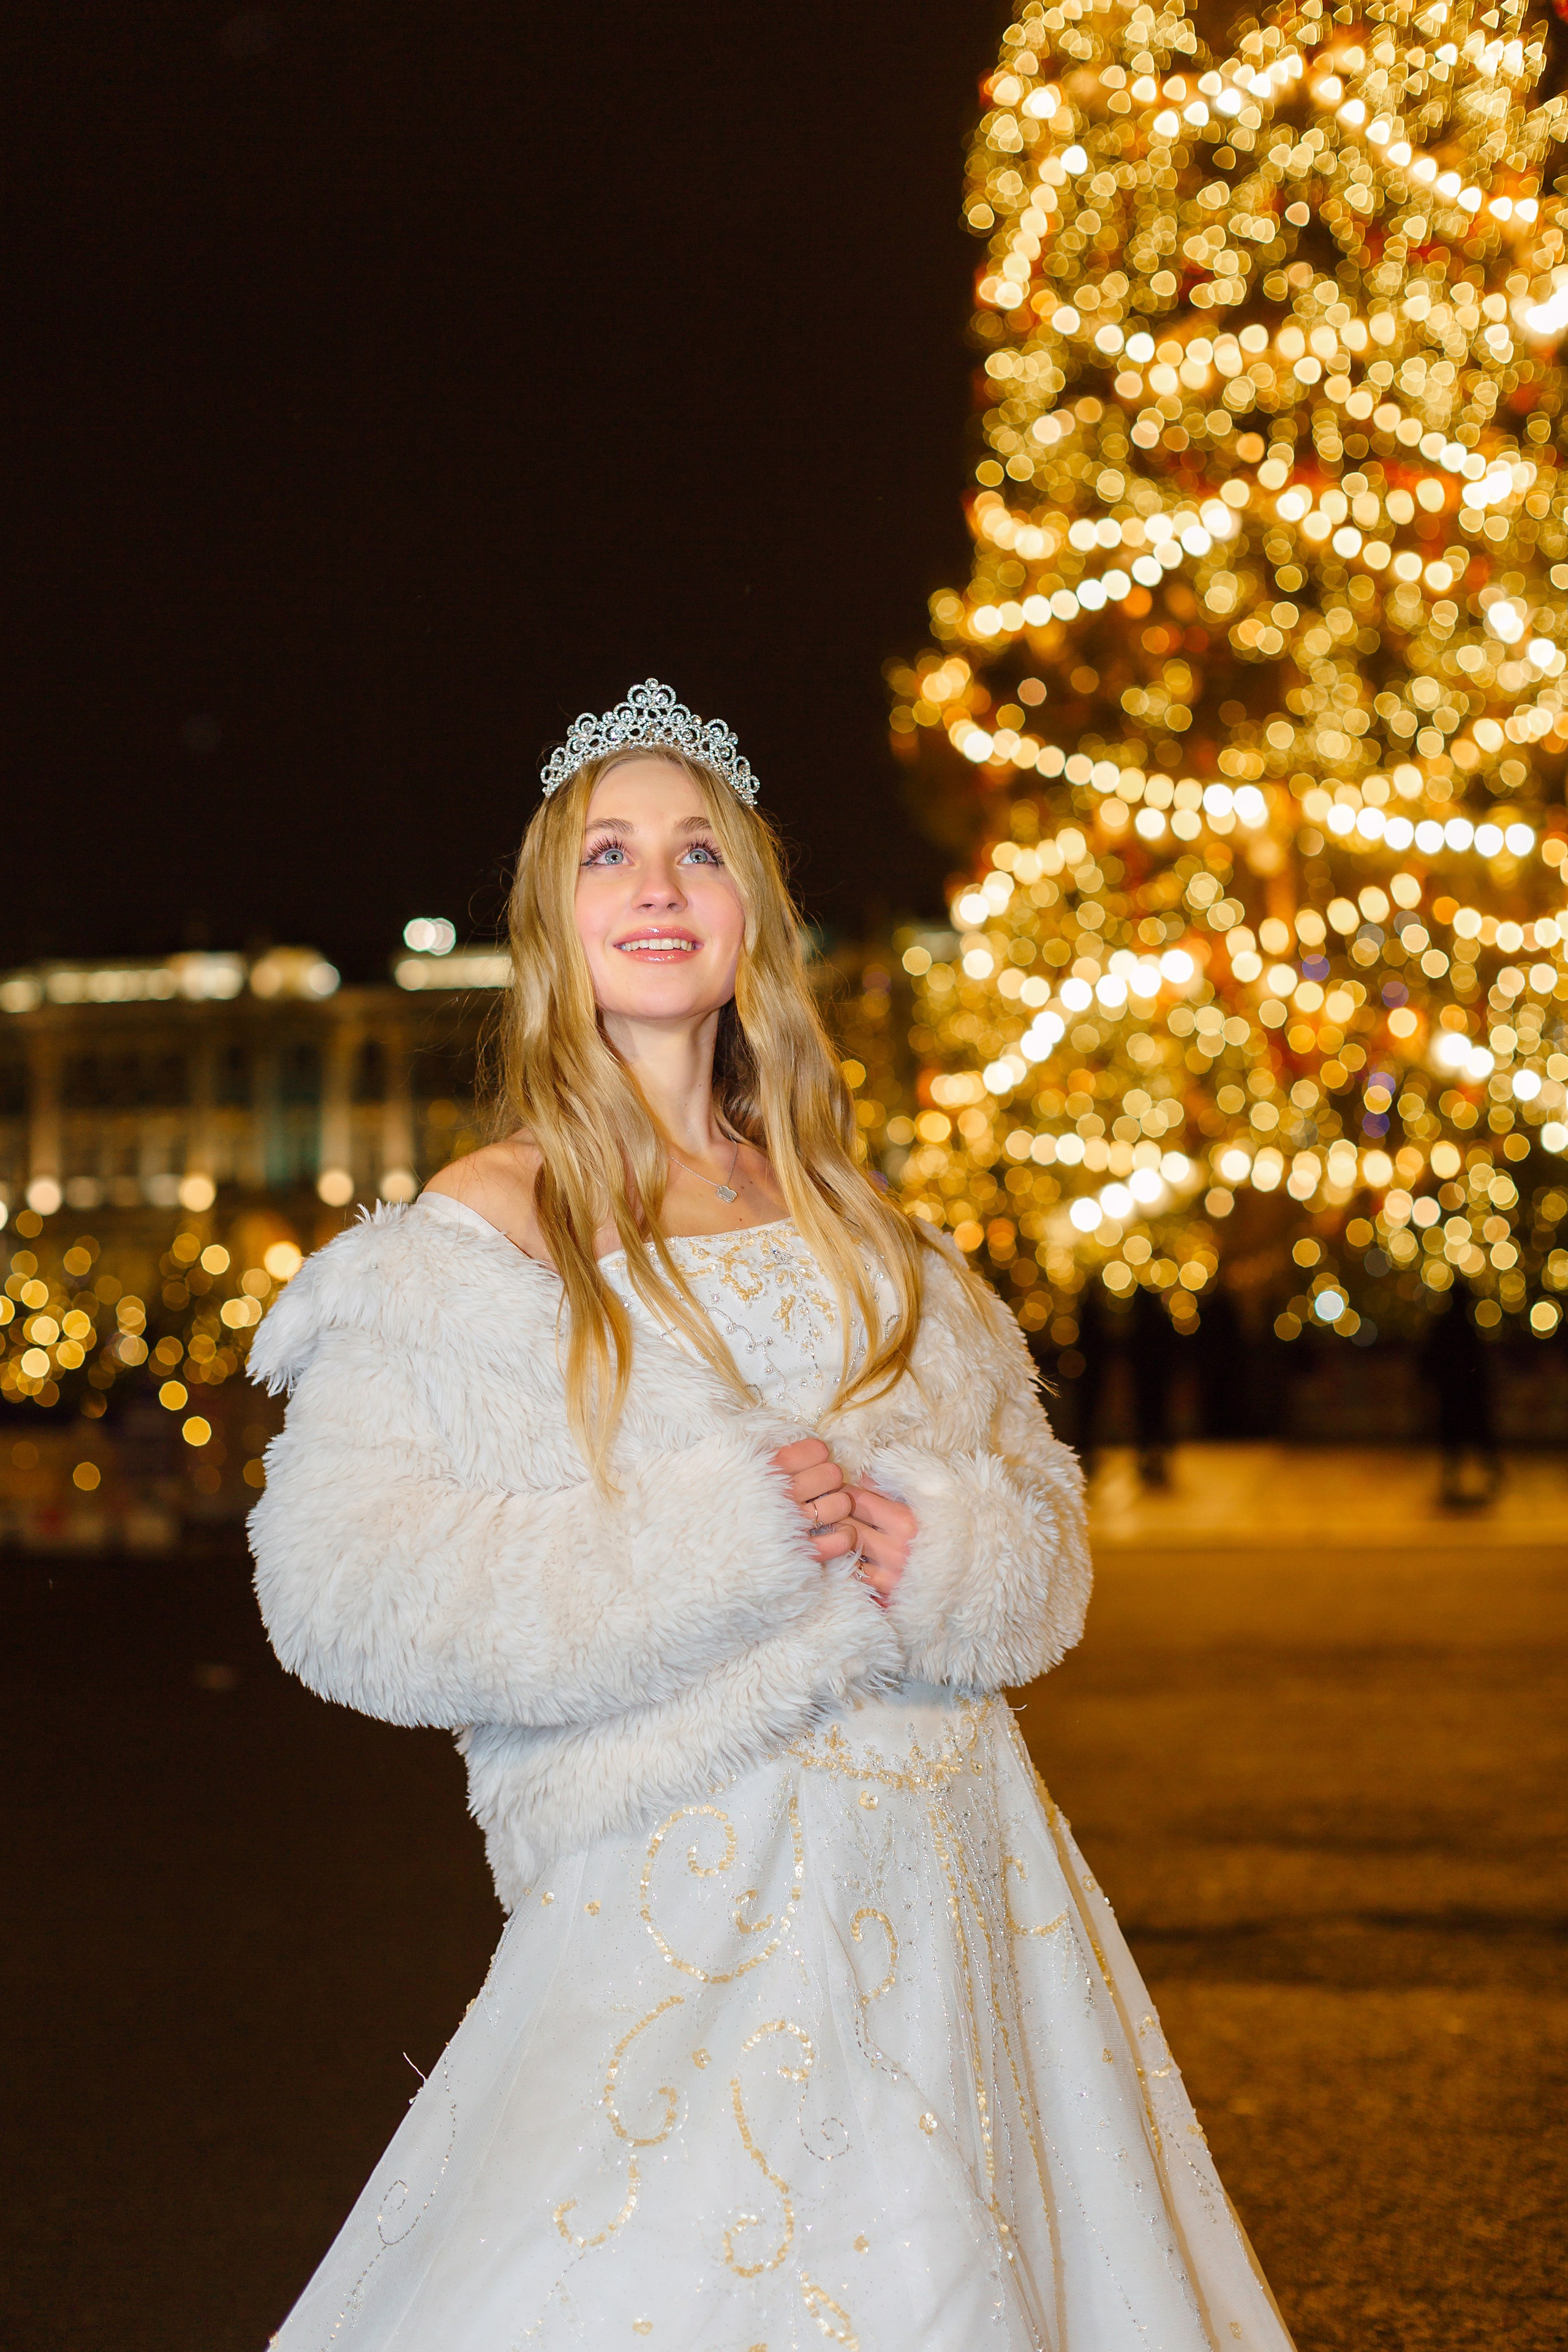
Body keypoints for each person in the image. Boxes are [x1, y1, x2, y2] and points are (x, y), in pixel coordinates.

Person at [249, 681, 1295, 2350]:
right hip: (689, 1890)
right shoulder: (488, 1226)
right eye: (610, 853)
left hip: (960, 1877)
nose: (656, 888)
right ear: (556, 916)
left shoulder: (868, 1225)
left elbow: (1043, 1532)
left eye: (697, 853)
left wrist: (949, 1549)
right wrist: (712, 1546)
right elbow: (342, 1584)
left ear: (753, 915)